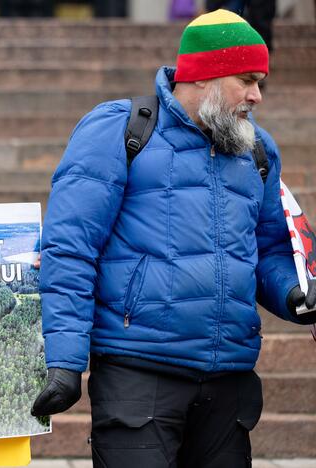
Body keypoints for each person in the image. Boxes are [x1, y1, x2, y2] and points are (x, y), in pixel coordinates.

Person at [30, 10, 316, 468]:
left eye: (260, 81)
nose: (257, 95)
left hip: (230, 384)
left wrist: (293, 292)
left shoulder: (258, 150)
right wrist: (65, 361)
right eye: (247, 79)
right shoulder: (118, 130)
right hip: (138, 377)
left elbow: (271, 250)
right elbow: (70, 249)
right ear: (204, 75)